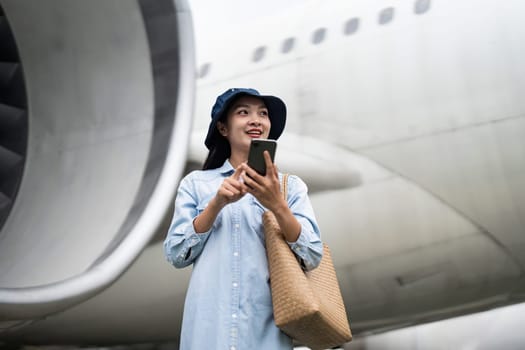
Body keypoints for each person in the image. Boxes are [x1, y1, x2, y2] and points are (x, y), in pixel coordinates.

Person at [163, 88, 323, 350]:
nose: (256, 120)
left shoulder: (290, 188)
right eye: (243, 112)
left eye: (263, 113)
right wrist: (216, 204)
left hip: (267, 335)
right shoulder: (196, 184)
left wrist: (277, 205)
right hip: (207, 334)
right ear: (223, 128)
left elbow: (312, 254)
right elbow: (176, 253)